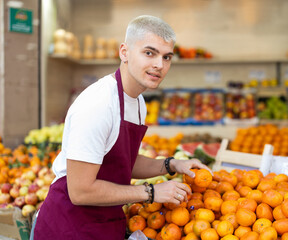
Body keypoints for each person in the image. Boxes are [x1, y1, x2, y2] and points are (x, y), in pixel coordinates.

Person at [32, 15, 211, 239]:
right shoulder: (98, 104)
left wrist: (172, 164)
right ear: (124, 52)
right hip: (70, 226)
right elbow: (80, 191)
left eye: (167, 57)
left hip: (105, 222)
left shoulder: (137, 102)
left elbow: (123, 161)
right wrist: (151, 192)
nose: (159, 65)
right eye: (149, 53)